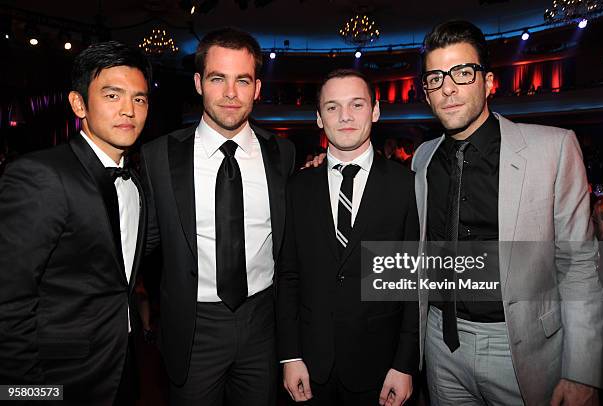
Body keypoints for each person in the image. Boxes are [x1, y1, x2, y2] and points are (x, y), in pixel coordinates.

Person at [411, 20, 603, 406]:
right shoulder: (422, 159)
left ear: (489, 82)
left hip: (520, 346)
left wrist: (582, 371)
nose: (448, 88)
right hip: (439, 342)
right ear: (427, 93)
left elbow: (579, 265)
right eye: (435, 78)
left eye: (462, 73)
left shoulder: (553, 149)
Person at [139, 27, 295, 405]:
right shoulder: (157, 156)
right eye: (217, 78)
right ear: (198, 83)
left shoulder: (283, 154)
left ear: (257, 88)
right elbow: (140, 240)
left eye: (242, 80)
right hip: (192, 328)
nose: (230, 93)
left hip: (262, 323)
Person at [0, 41, 151, 405]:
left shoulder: (138, 181)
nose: (128, 110)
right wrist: (30, 395)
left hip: (121, 367)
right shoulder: (40, 175)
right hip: (58, 379)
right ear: (78, 103)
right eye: (112, 95)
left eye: (140, 99)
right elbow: (8, 305)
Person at [277, 69, 420, 406]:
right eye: (332, 107)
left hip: (381, 367)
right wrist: (289, 355)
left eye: (356, 105)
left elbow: (414, 284)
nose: (344, 117)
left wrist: (404, 364)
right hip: (312, 366)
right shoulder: (297, 188)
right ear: (318, 117)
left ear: (375, 110)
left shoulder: (407, 187)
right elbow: (288, 276)